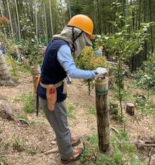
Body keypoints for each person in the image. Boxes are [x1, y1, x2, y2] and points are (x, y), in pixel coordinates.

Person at [37, 14, 108, 164]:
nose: (85, 44)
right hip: (51, 94)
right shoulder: (62, 47)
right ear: (76, 34)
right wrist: (95, 72)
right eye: (85, 40)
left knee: (61, 118)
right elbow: (72, 72)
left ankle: (67, 139)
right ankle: (67, 155)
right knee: (60, 125)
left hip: (53, 90)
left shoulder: (58, 42)